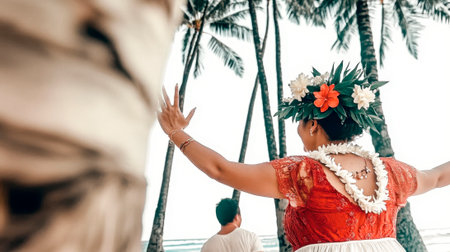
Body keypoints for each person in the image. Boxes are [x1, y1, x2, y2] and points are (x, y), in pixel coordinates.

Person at [157, 62, 450, 252]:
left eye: (299, 122)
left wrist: (175, 132)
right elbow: (438, 177)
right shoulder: (392, 173)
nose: (298, 130)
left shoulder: (301, 173)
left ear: (313, 125)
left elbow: (221, 170)